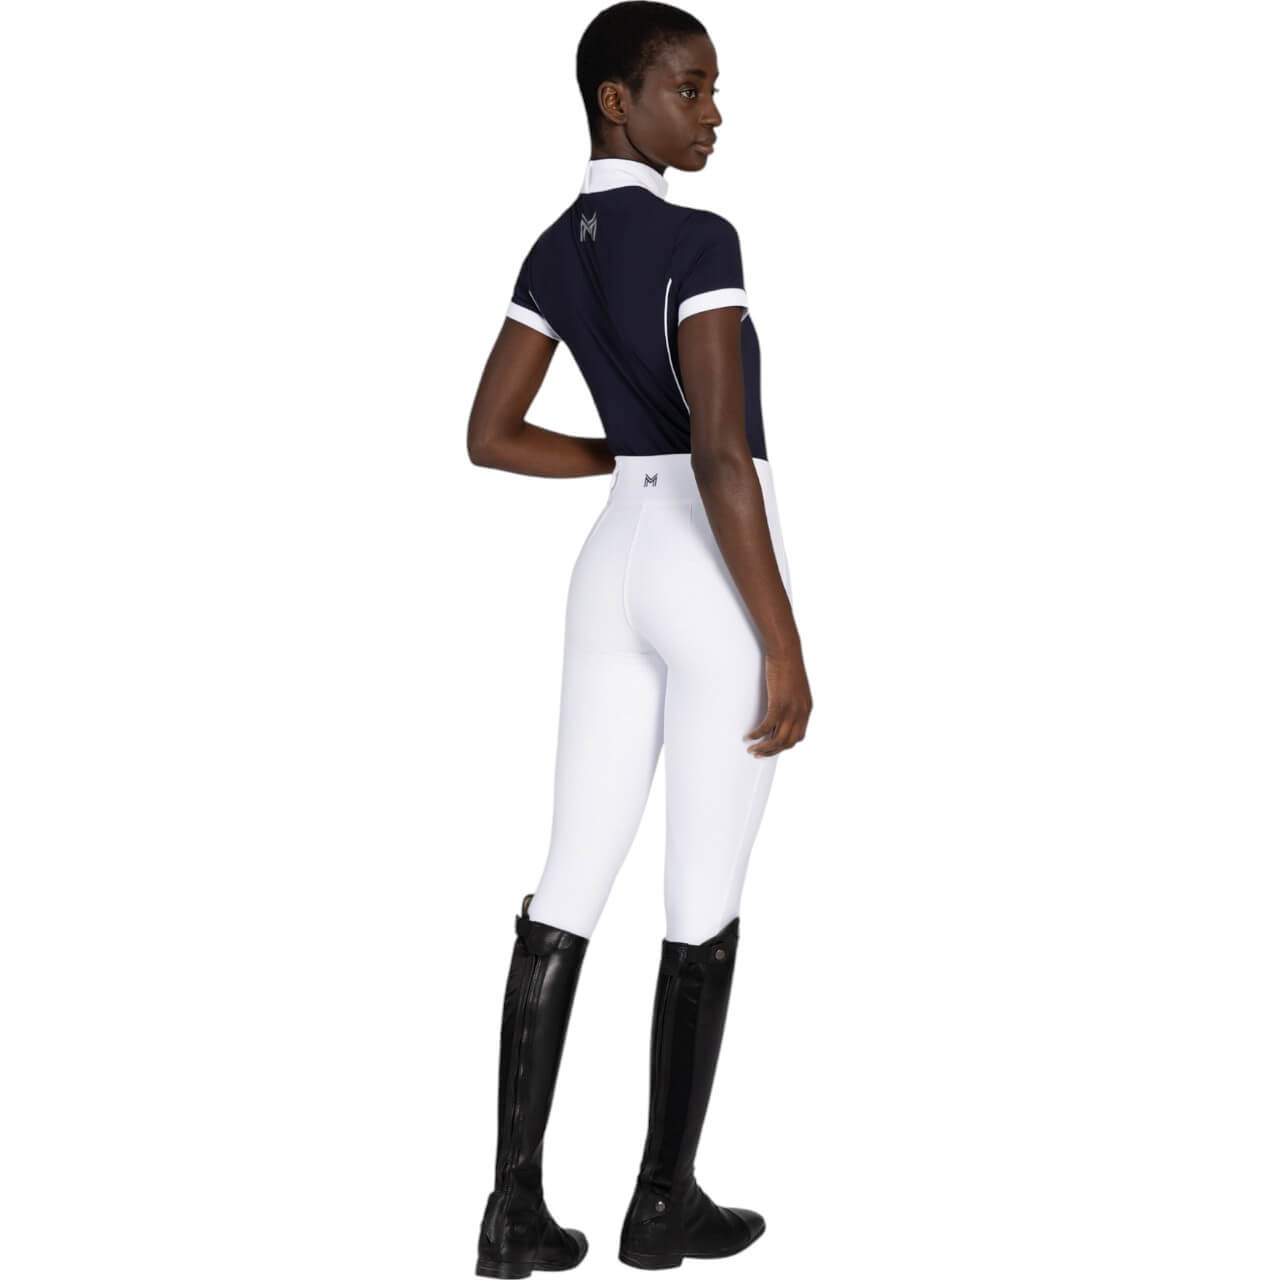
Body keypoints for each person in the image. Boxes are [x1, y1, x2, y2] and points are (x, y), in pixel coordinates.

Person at [466, 4, 813, 1274]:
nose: (712, 113)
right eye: (690, 87)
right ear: (617, 100)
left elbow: (491, 434)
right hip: (707, 568)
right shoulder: (697, 237)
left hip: (608, 557)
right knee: (700, 890)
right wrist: (781, 641)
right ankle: (662, 1203)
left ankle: (512, 1210)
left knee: (566, 879)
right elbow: (719, 452)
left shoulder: (552, 246)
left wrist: (619, 456)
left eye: (713, 89)